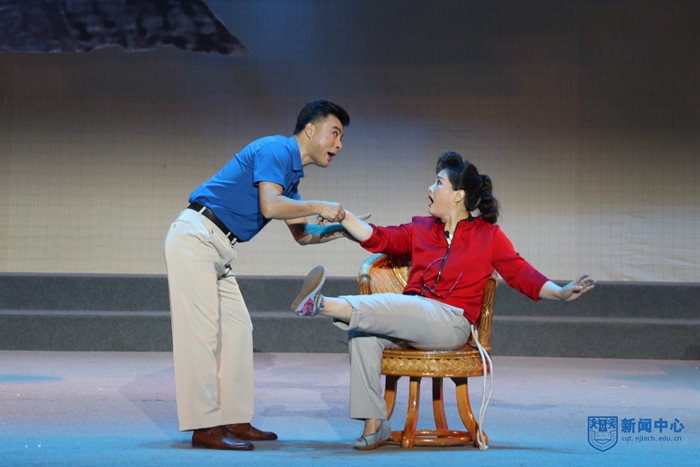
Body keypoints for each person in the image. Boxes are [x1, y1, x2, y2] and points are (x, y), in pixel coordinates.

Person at [290, 151, 596, 450]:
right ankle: (375, 424)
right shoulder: (421, 229)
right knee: (363, 332)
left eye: (438, 183)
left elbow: (521, 273)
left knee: (399, 306)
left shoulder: (488, 236)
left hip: (451, 323)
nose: (430, 188)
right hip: (413, 317)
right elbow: (378, 237)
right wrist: (344, 217)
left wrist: (559, 292)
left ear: (458, 195)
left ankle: (322, 304)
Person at [164, 100, 356, 451]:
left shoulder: (291, 177)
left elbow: (303, 235)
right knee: (202, 336)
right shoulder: (277, 150)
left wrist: (344, 229)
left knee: (238, 330)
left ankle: (234, 419)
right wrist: (320, 205)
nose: (339, 144)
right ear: (310, 130)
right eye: (335, 133)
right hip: (196, 237)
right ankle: (205, 426)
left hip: (219, 249)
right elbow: (270, 205)